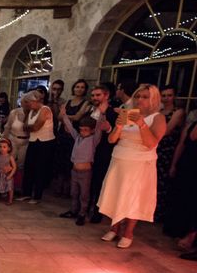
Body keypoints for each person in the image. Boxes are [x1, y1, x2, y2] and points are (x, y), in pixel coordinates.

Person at [98, 84, 166, 249]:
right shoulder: (126, 112)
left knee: (133, 196)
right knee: (116, 193)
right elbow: (112, 140)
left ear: (153, 99)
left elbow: (151, 143)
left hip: (140, 162)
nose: (140, 100)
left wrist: (142, 124)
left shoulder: (157, 118)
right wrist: (119, 126)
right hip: (120, 158)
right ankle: (114, 228)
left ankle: (128, 232)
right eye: (137, 96)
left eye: (145, 97)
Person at [58, 113, 104, 226]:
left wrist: (102, 114)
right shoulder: (77, 137)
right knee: (74, 192)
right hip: (74, 171)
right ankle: (74, 210)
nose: (82, 132)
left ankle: (82, 214)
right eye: (81, 129)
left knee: (84, 195)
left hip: (85, 172)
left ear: (92, 130)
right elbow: (70, 128)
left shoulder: (94, 140)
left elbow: (99, 128)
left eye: (85, 130)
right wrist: (64, 115)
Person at [52, 79, 90, 196]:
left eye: (82, 87)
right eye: (77, 86)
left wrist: (65, 116)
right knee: (60, 161)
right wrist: (67, 117)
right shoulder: (67, 102)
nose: (79, 89)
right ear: (73, 88)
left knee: (70, 162)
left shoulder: (86, 103)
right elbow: (59, 116)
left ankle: (68, 190)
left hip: (74, 136)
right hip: (62, 134)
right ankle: (59, 188)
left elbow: (78, 118)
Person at [87, 84, 119, 224]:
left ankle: (97, 211)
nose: (95, 98)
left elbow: (117, 135)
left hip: (104, 151)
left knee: (100, 181)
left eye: (98, 95)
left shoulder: (114, 112)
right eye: (93, 95)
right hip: (89, 149)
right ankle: (85, 207)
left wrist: (109, 128)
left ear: (106, 96)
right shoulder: (91, 110)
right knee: (90, 180)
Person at [17, 90, 55, 204]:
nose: (28, 105)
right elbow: (25, 126)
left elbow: (36, 127)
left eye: (29, 102)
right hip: (33, 141)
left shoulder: (45, 110)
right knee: (28, 167)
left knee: (40, 168)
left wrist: (30, 127)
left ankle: (37, 195)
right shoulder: (31, 111)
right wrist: (30, 127)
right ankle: (26, 193)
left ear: (35, 101)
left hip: (45, 142)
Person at [164, 119, 197, 253]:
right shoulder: (193, 124)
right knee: (183, 199)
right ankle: (181, 232)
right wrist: (174, 165)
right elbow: (181, 145)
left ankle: (191, 238)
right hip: (186, 165)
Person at [155, 86, 185, 221]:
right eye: (164, 95)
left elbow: (166, 131)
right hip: (155, 148)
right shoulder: (159, 111)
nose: (166, 98)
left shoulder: (178, 112)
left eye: (169, 95)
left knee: (162, 182)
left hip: (168, 151)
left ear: (174, 97)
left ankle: (159, 214)